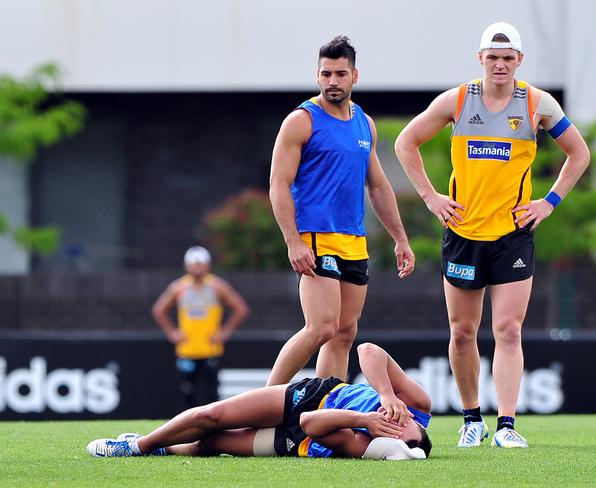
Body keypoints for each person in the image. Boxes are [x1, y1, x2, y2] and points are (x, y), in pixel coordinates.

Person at [394, 22, 590, 449]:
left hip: (513, 234)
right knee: (462, 331)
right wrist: (430, 198)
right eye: (492, 57)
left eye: (507, 58)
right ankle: (471, 419)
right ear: (480, 58)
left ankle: (506, 425)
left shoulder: (538, 104)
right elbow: (405, 142)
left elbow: (580, 153)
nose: (500, 65)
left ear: (519, 61)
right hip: (463, 232)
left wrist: (548, 202)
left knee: (508, 329)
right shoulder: (458, 100)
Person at [267, 35, 415, 387]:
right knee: (321, 327)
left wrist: (401, 239)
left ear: (355, 76)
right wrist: (293, 242)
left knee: (344, 333)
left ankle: (326, 411)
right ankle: (262, 403)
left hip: (354, 239)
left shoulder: (364, 123)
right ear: (317, 76)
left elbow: (377, 185)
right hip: (316, 236)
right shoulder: (302, 120)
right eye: (326, 74)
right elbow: (278, 185)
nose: (333, 81)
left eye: (340, 74)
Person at [86, 342, 432, 461]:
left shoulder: (368, 441)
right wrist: (387, 394)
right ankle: (137, 446)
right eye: (403, 429)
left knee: (212, 443)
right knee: (212, 415)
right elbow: (368, 351)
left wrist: (367, 423)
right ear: (415, 424)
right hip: (315, 394)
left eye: (395, 438)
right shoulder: (417, 404)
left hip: (305, 437)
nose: (395, 428)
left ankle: (166, 448)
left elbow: (311, 424)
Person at [152, 246, 250, 407]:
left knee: (212, 393)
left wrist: (224, 333)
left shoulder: (217, 286)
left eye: (200, 264)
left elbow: (241, 309)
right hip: (187, 349)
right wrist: (172, 333)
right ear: (187, 266)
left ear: (208, 265)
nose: (197, 268)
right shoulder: (179, 288)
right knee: (187, 392)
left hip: (210, 349)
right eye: (194, 264)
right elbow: (159, 310)